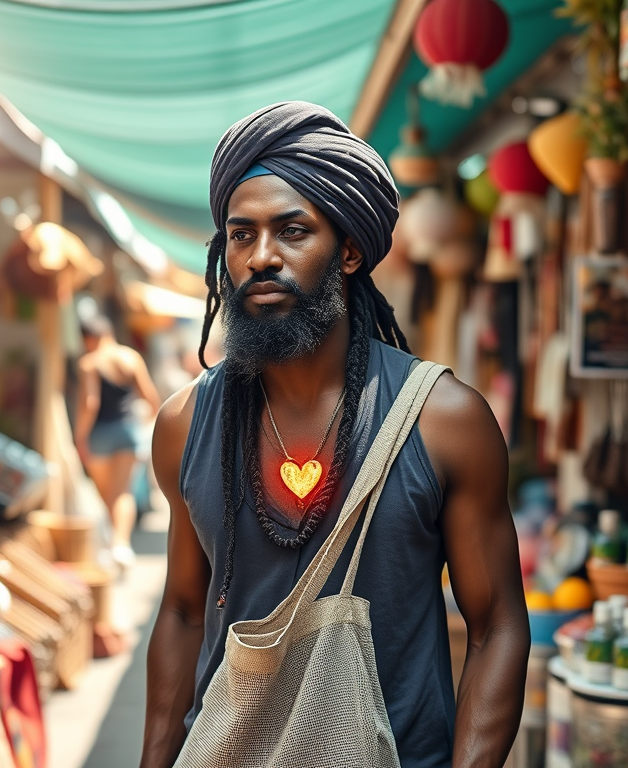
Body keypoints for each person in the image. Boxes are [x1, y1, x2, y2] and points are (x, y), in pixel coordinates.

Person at [143, 102, 529, 768]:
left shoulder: (443, 421)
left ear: (349, 249)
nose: (262, 256)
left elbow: (496, 626)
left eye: (293, 230)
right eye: (242, 235)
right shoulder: (185, 425)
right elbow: (181, 612)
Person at [75, 315, 161, 568]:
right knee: (123, 492)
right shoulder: (130, 357)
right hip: (129, 431)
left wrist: (80, 437)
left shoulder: (89, 363)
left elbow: (90, 404)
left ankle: (108, 546)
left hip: (100, 435)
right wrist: (145, 424)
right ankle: (120, 545)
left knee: (106, 495)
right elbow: (151, 398)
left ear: (89, 338)